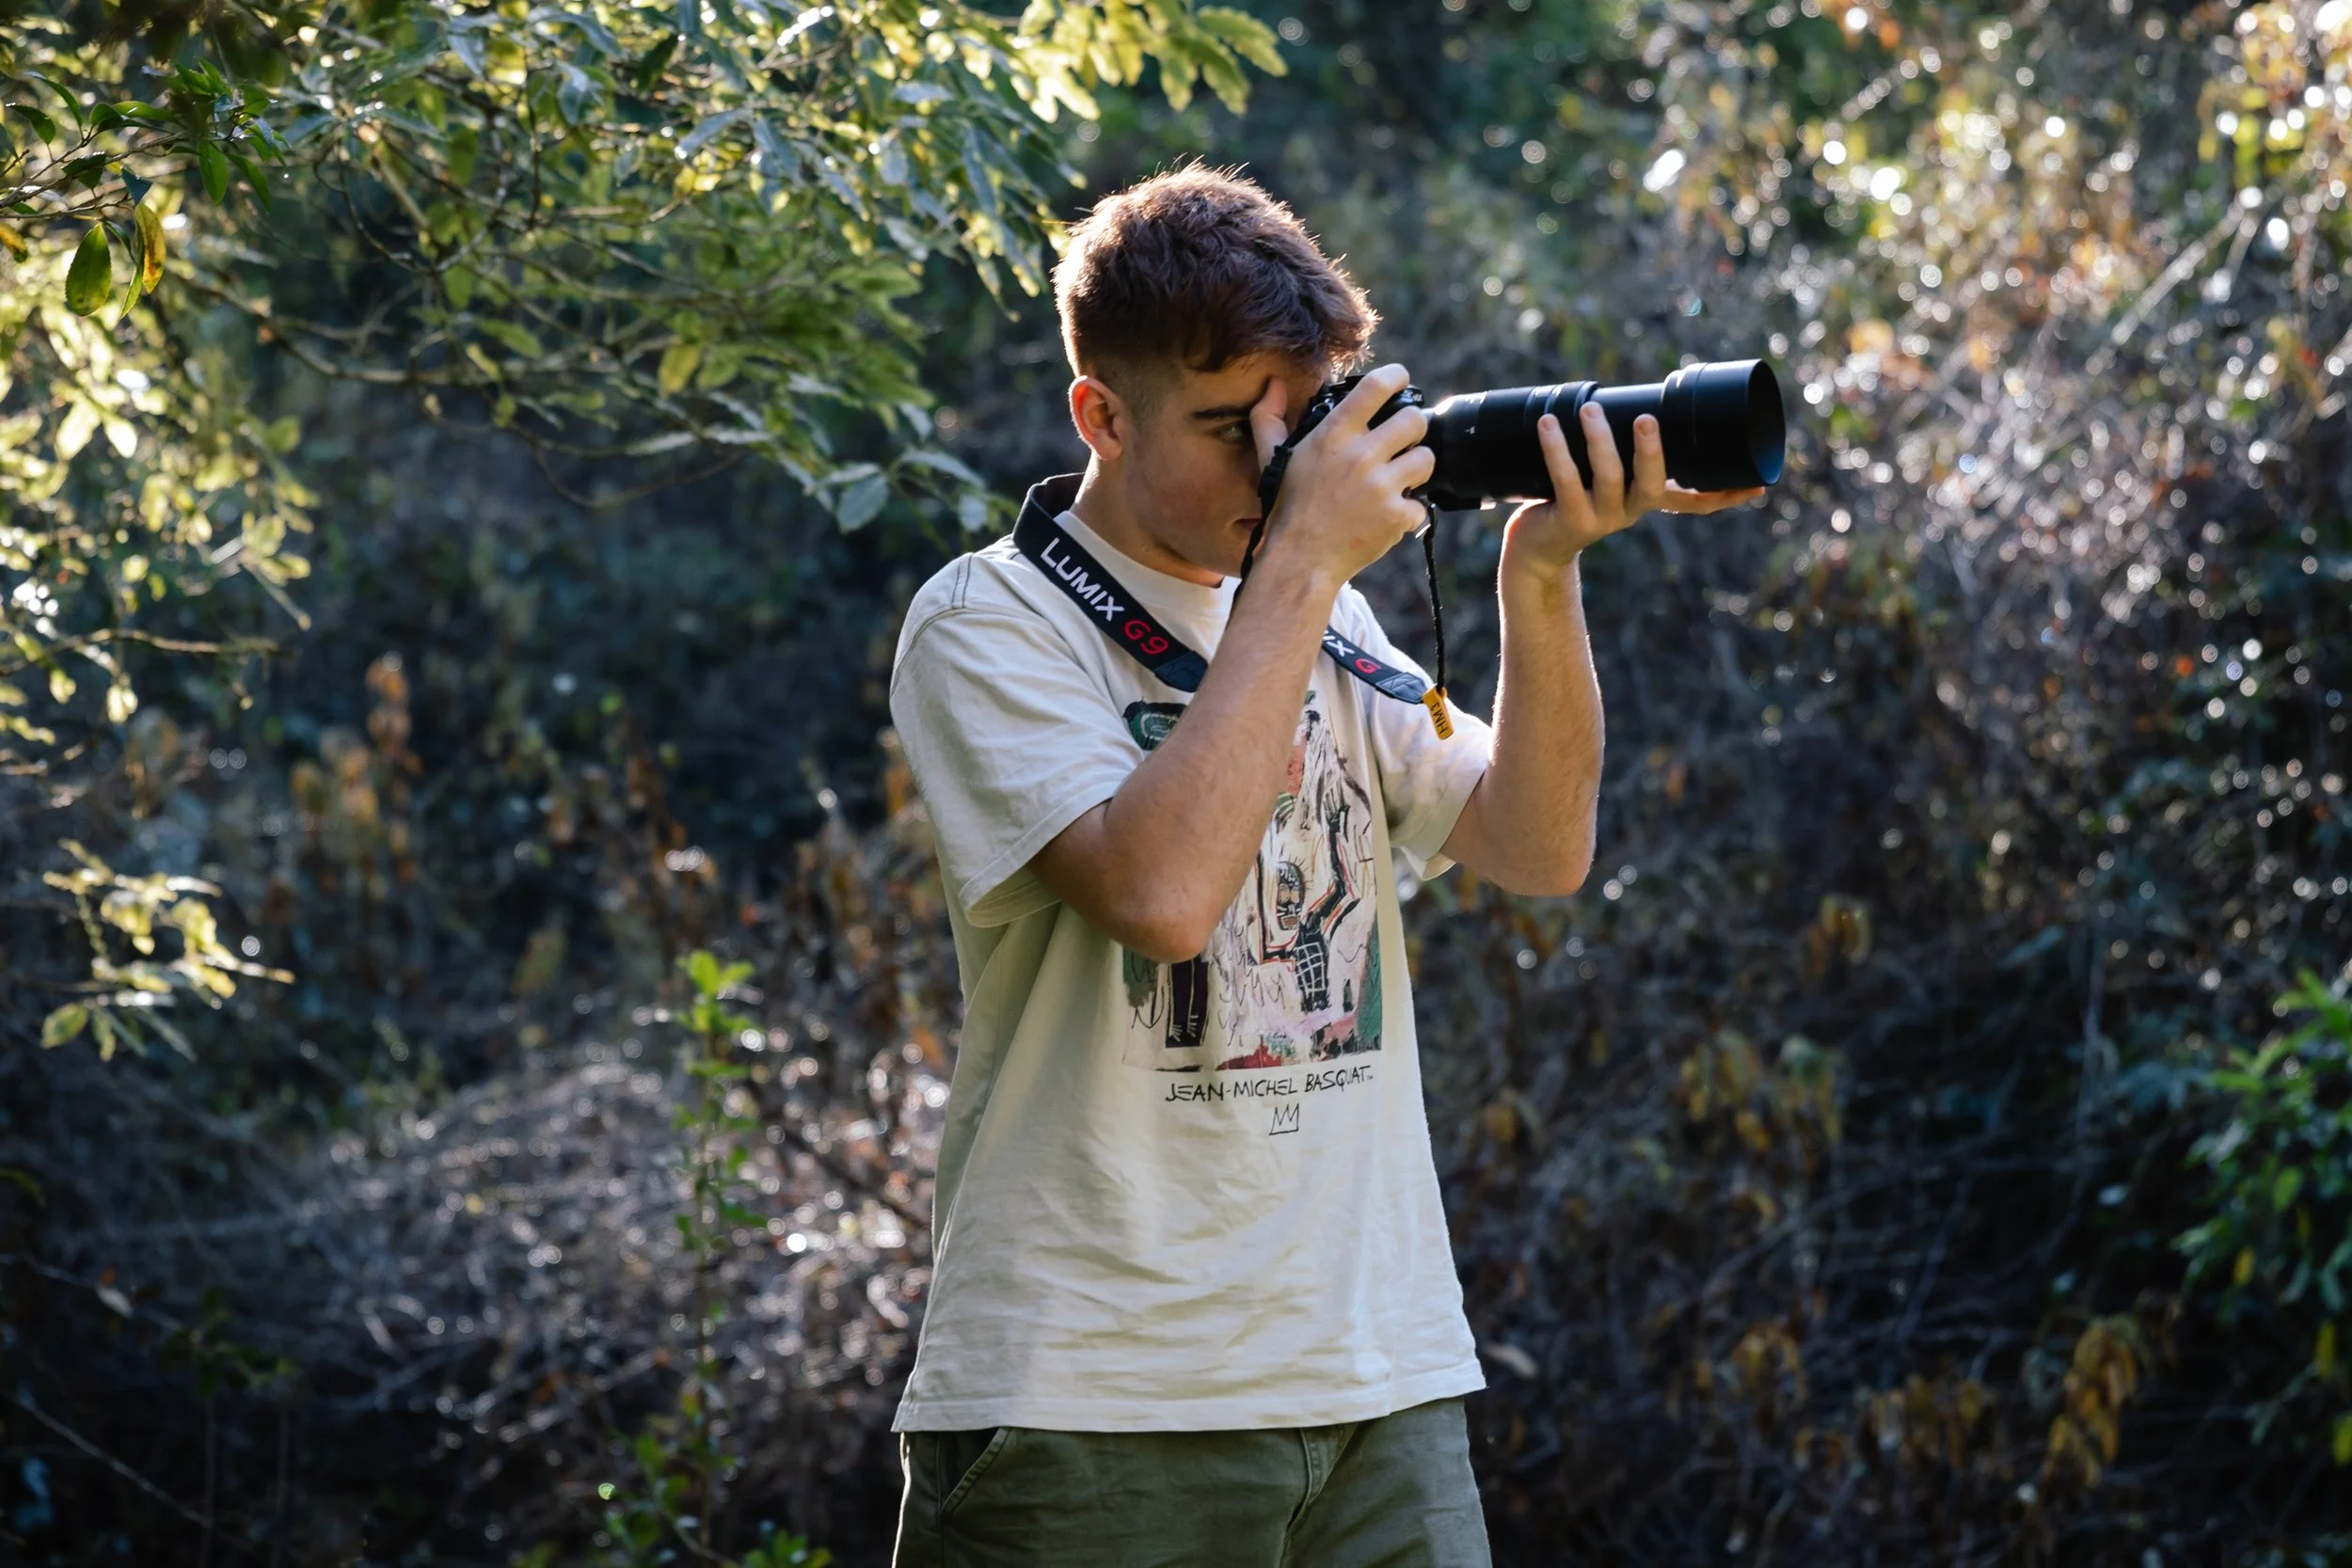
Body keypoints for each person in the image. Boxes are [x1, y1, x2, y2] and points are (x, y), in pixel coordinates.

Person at [884, 166, 1762, 1566]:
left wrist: (1539, 574)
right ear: (1100, 416)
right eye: (1226, 426)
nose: (1275, 469)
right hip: (1093, 1396)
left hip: (1376, 1376)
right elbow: (1161, 898)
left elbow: (1539, 846)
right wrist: (1300, 565)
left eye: (1297, 424)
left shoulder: (1325, 615)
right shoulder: (993, 622)